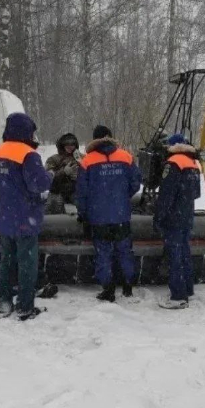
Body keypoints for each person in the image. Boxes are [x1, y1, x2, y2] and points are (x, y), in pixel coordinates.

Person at [0, 112, 53, 320]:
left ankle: (4, 303)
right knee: (27, 263)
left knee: (6, 262)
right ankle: (25, 306)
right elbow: (38, 184)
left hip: (5, 216)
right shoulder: (28, 154)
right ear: (26, 131)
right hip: (25, 217)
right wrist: (50, 175)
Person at [77, 125, 142, 302]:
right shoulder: (125, 156)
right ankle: (128, 284)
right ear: (110, 137)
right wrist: (122, 196)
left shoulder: (87, 161)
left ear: (94, 139)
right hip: (121, 215)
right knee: (124, 250)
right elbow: (136, 183)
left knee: (103, 252)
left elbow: (82, 192)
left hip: (98, 217)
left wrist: (83, 212)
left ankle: (108, 288)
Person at [153, 133, 202, 310]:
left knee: (174, 256)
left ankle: (178, 296)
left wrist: (158, 217)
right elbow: (196, 193)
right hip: (187, 215)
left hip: (173, 217)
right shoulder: (193, 163)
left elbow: (166, 196)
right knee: (184, 253)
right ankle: (188, 289)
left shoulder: (173, 164)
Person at [44, 133, 81, 214]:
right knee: (54, 210)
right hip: (57, 191)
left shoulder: (81, 158)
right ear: (61, 145)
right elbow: (47, 178)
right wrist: (64, 172)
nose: (70, 146)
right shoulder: (53, 159)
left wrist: (80, 174)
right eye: (67, 144)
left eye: (72, 144)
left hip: (75, 192)